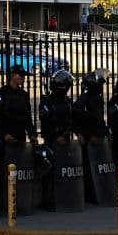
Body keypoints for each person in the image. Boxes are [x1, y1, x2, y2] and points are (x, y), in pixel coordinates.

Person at [39, 69, 75, 210]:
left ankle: (66, 197)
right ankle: (49, 200)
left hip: (66, 141)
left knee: (66, 170)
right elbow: (46, 122)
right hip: (52, 141)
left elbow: (71, 120)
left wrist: (67, 133)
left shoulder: (67, 101)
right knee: (51, 171)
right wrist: (56, 136)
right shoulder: (47, 101)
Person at [0, 64, 37, 170]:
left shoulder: (24, 94)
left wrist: (32, 134)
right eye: (21, 75)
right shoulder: (1, 93)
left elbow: (27, 117)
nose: (23, 78)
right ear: (12, 76)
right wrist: (4, 134)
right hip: (5, 140)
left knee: (20, 169)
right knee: (7, 172)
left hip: (20, 137)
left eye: (24, 75)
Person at [73, 69, 110, 204]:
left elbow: (98, 119)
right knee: (89, 168)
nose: (102, 86)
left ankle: (99, 193)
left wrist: (104, 132)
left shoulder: (97, 98)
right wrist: (86, 135)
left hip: (97, 138)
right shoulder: (85, 99)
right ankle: (90, 194)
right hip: (89, 141)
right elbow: (80, 119)